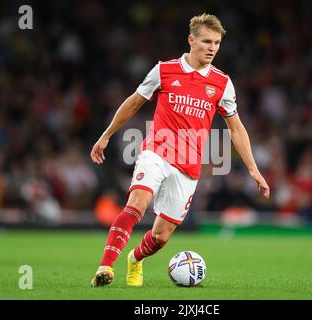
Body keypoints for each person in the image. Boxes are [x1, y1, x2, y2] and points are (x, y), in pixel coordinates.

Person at [90, 13, 270, 287]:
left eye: (217, 43)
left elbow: (236, 128)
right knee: (137, 203)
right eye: (207, 41)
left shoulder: (222, 83)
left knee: (161, 236)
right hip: (156, 152)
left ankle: (135, 260)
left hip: (188, 165)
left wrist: (253, 169)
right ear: (191, 40)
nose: (212, 48)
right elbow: (134, 103)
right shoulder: (164, 70)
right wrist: (106, 135)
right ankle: (105, 267)